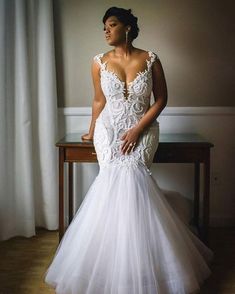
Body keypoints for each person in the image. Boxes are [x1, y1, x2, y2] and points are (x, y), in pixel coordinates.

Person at [44, 7, 214, 294]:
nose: (106, 31)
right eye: (104, 27)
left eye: (112, 25)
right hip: (108, 132)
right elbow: (99, 101)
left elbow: (161, 99)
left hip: (144, 130)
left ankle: (146, 266)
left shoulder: (150, 59)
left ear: (128, 28)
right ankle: (106, 265)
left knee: (135, 181)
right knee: (111, 185)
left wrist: (137, 129)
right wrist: (91, 128)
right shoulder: (98, 61)